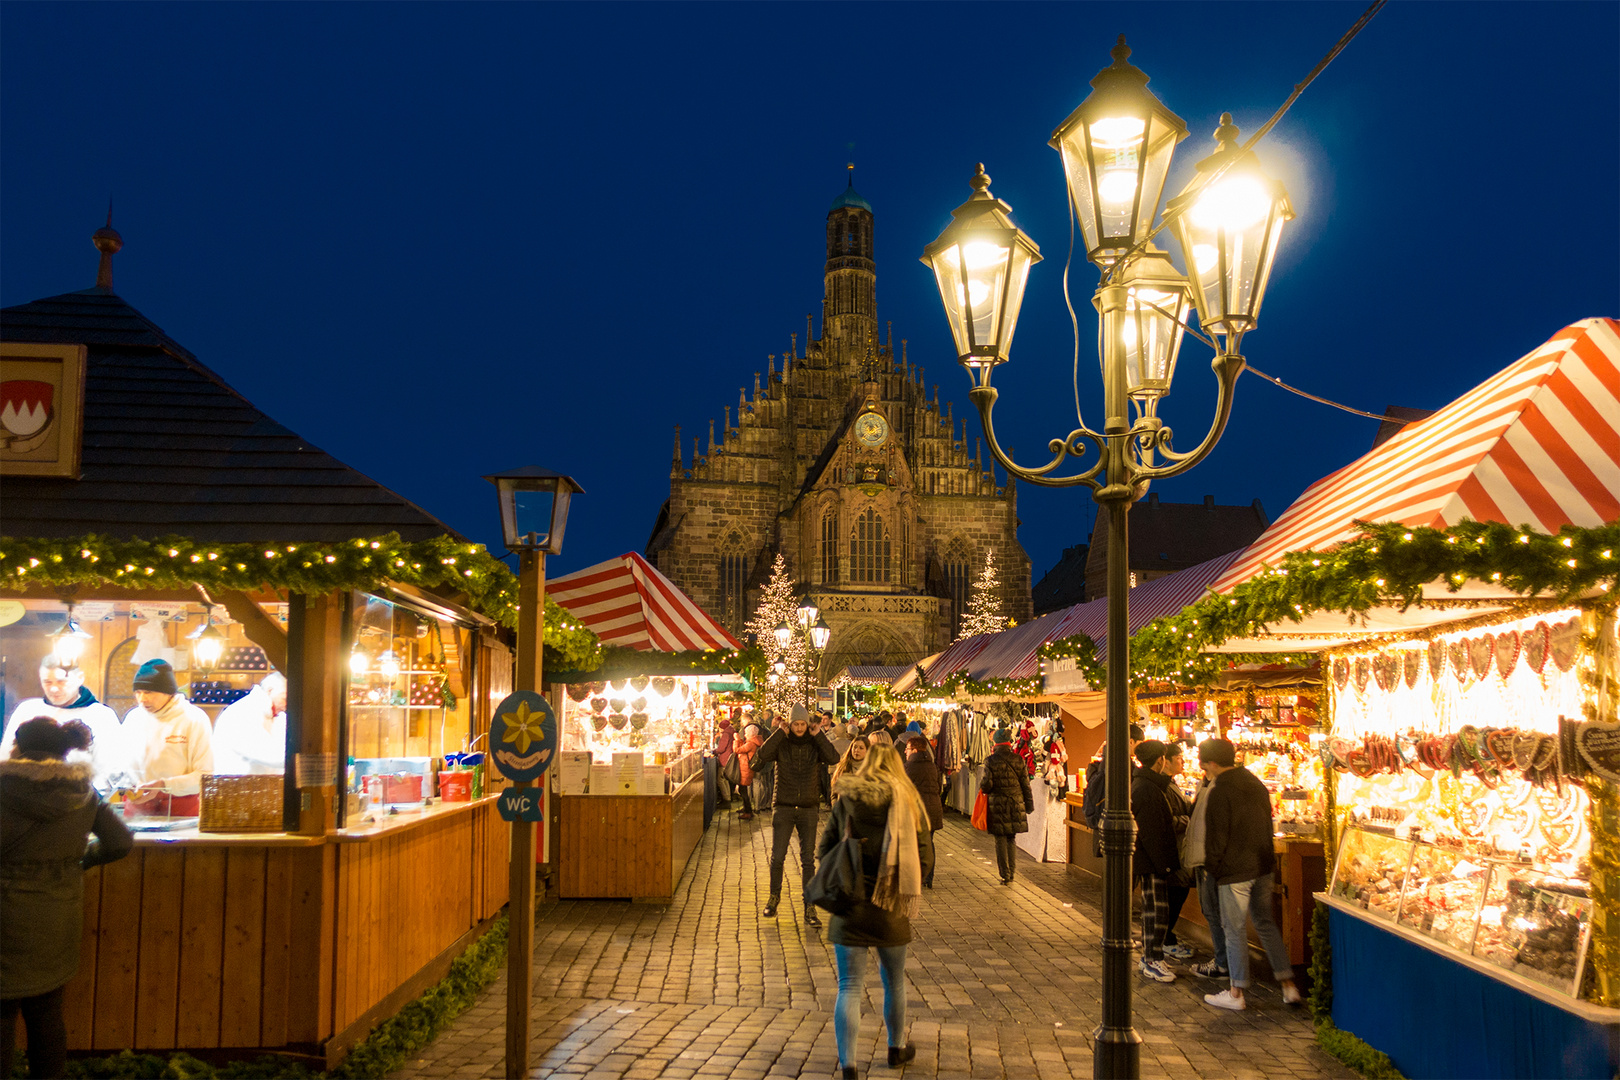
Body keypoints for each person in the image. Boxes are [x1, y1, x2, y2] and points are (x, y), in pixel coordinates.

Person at [1, 718, 135, 1079]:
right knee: (46, 1013)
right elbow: (120, 842)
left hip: (4, 917)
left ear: (17, 746)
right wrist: (80, 861)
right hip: (56, 917)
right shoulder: (84, 791)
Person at [817, 743, 933, 1080]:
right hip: (891, 905)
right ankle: (896, 1048)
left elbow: (825, 848)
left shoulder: (847, 800)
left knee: (849, 986)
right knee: (895, 981)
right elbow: (924, 858)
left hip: (851, 904)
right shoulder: (909, 803)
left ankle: (849, 1065)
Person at [1198, 737, 1302, 1010]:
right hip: (1262, 865)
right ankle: (1289, 986)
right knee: (1265, 923)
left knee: (1234, 930)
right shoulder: (1255, 783)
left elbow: (1217, 836)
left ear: (1211, 763)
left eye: (1204, 763)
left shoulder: (1220, 791)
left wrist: (1214, 869)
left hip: (1235, 871)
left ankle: (1235, 993)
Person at [754, 703, 839, 923]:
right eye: (795, 724)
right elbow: (763, 754)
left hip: (809, 807)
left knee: (808, 860)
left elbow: (833, 758)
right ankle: (774, 897)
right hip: (783, 805)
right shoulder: (782, 742)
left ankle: (809, 906)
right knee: (778, 857)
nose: (799, 728)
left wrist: (818, 734)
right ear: (790, 724)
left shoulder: (814, 743)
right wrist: (778, 733)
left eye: (802, 724)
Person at [0, 656, 128, 792]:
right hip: (23, 795)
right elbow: (5, 756)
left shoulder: (101, 715)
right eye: (47, 682)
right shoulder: (27, 709)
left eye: (61, 682)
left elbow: (108, 770)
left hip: (77, 798)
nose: (54, 689)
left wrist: (84, 799)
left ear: (80, 678)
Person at [1131, 740, 1188, 983]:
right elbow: (1154, 829)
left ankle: (1151, 957)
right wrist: (1163, 863)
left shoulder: (1146, 785)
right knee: (1156, 911)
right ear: (1160, 761)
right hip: (1153, 860)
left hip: (1153, 859)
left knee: (1155, 910)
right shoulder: (1147, 788)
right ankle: (1152, 958)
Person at [121, 659, 214, 798]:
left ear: (168, 692)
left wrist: (164, 785)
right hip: (137, 801)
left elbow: (205, 775)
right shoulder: (133, 718)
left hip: (181, 802)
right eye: (138, 692)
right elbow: (121, 763)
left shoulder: (194, 718)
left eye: (148, 692)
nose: (142, 699)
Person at [1182, 744, 1229, 981]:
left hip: (1210, 859)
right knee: (1210, 910)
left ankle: (1223, 963)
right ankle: (1223, 961)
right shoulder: (1208, 784)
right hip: (1203, 856)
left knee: (1214, 911)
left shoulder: (1221, 787)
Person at [978, 726, 1033, 885]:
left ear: (996, 743)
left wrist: (984, 785)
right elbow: (1025, 784)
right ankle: (1012, 872)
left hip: (998, 803)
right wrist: (1028, 805)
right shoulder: (1018, 759)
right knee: (1011, 837)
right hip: (1016, 801)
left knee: (1000, 838)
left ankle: (1005, 874)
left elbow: (987, 786)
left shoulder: (991, 760)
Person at [1083, 721, 1143, 856]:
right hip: (1114, 827)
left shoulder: (1107, 758)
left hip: (1102, 823)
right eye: (1140, 744)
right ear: (1131, 741)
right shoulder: (1120, 762)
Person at [211, 672, 287, 775]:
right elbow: (269, 754)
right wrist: (301, 759)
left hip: (265, 787)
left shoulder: (280, 716)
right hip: (235, 788)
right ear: (270, 690)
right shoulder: (241, 713)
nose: (287, 705)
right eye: (285, 699)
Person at [901, 734, 944, 888]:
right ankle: (928, 878)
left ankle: (917, 876)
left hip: (915, 811)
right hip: (933, 809)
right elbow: (939, 788)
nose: (905, 752)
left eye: (907, 749)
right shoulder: (932, 766)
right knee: (928, 843)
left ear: (914, 750)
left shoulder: (907, 767)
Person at [734, 721, 764, 820]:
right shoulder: (753, 742)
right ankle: (746, 808)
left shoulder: (751, 743)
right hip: (745, 768)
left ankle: (748, 811)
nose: (745, 735)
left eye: (746, 733)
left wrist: (736, 740)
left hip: (745, 769)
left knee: (743, 791)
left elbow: (737, 750)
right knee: (743, 790)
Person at [714, 714, 737, 805]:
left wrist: (714, 752)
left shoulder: (725, 735)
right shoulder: (732, 732)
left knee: (721, 779)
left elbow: (721, 749)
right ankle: (728, 798)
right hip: (729, 758)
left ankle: (726, 799)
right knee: (725, 779)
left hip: (724, 759)